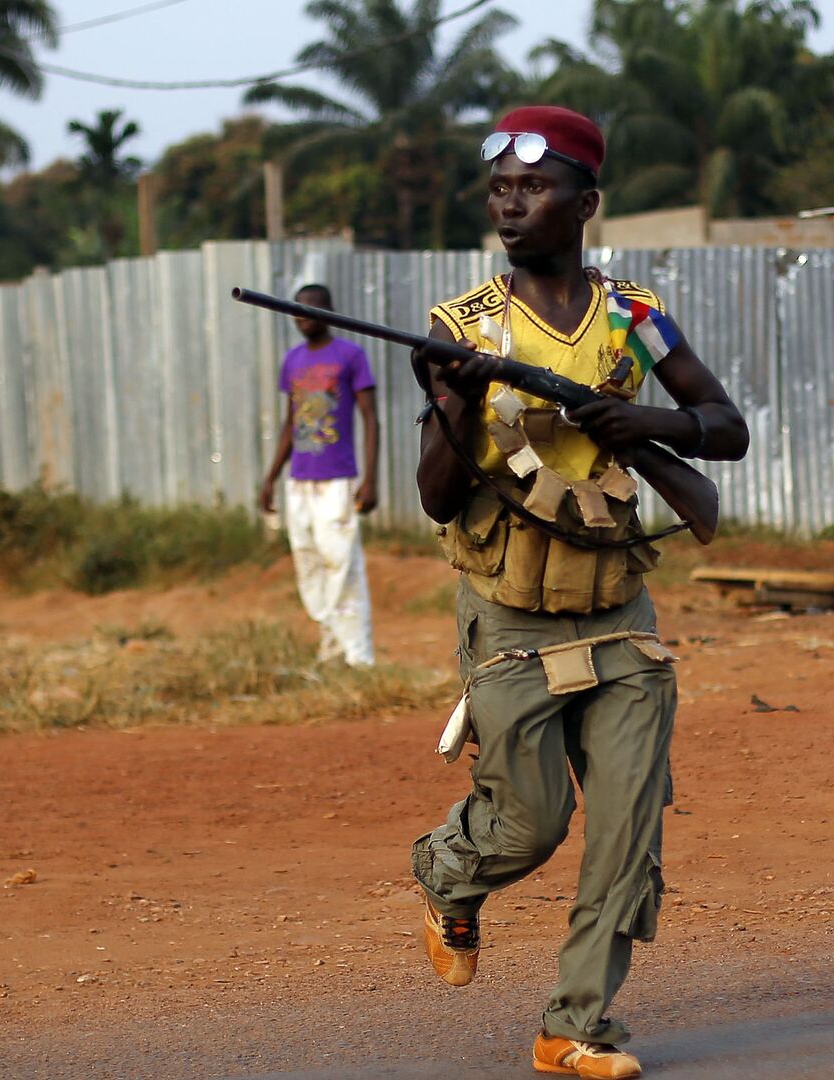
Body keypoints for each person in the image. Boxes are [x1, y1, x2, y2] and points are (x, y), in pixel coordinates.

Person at [407, 105, 748, 1079]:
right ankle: (447, 873)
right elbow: (435, 496)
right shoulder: (460, 326)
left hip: (617, 611)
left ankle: (575, 1027)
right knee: (534, 821)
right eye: (501, 189)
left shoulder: (635, 316)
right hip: (508, 612)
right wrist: (460, 399)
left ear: (586, 202)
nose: (512, 204)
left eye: (535, 186)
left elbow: (725, 426)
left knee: (630, 831)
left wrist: (637, 418)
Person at [258, 283, 378, 667]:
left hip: (337, 479)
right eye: (298, 310)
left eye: (312, 309)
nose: (304, 316)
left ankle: (359, 658)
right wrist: (270, 477)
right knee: (309, 563)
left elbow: (371, 419)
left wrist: (371, 478)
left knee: (342, 563)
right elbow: (291, 423)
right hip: (300, 480)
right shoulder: (292, 361)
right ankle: (331, 651)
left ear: (329, 313)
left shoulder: (351, 355)